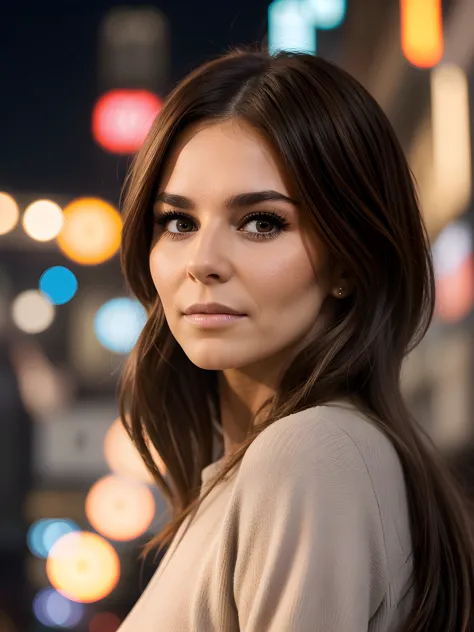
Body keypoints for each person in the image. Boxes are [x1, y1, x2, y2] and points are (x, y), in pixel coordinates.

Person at [117, 45, 474, 631]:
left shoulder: (309, 453)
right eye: (177, 222)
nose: (202, 262)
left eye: (262, 222)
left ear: (349, 261)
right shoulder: (281, 463)